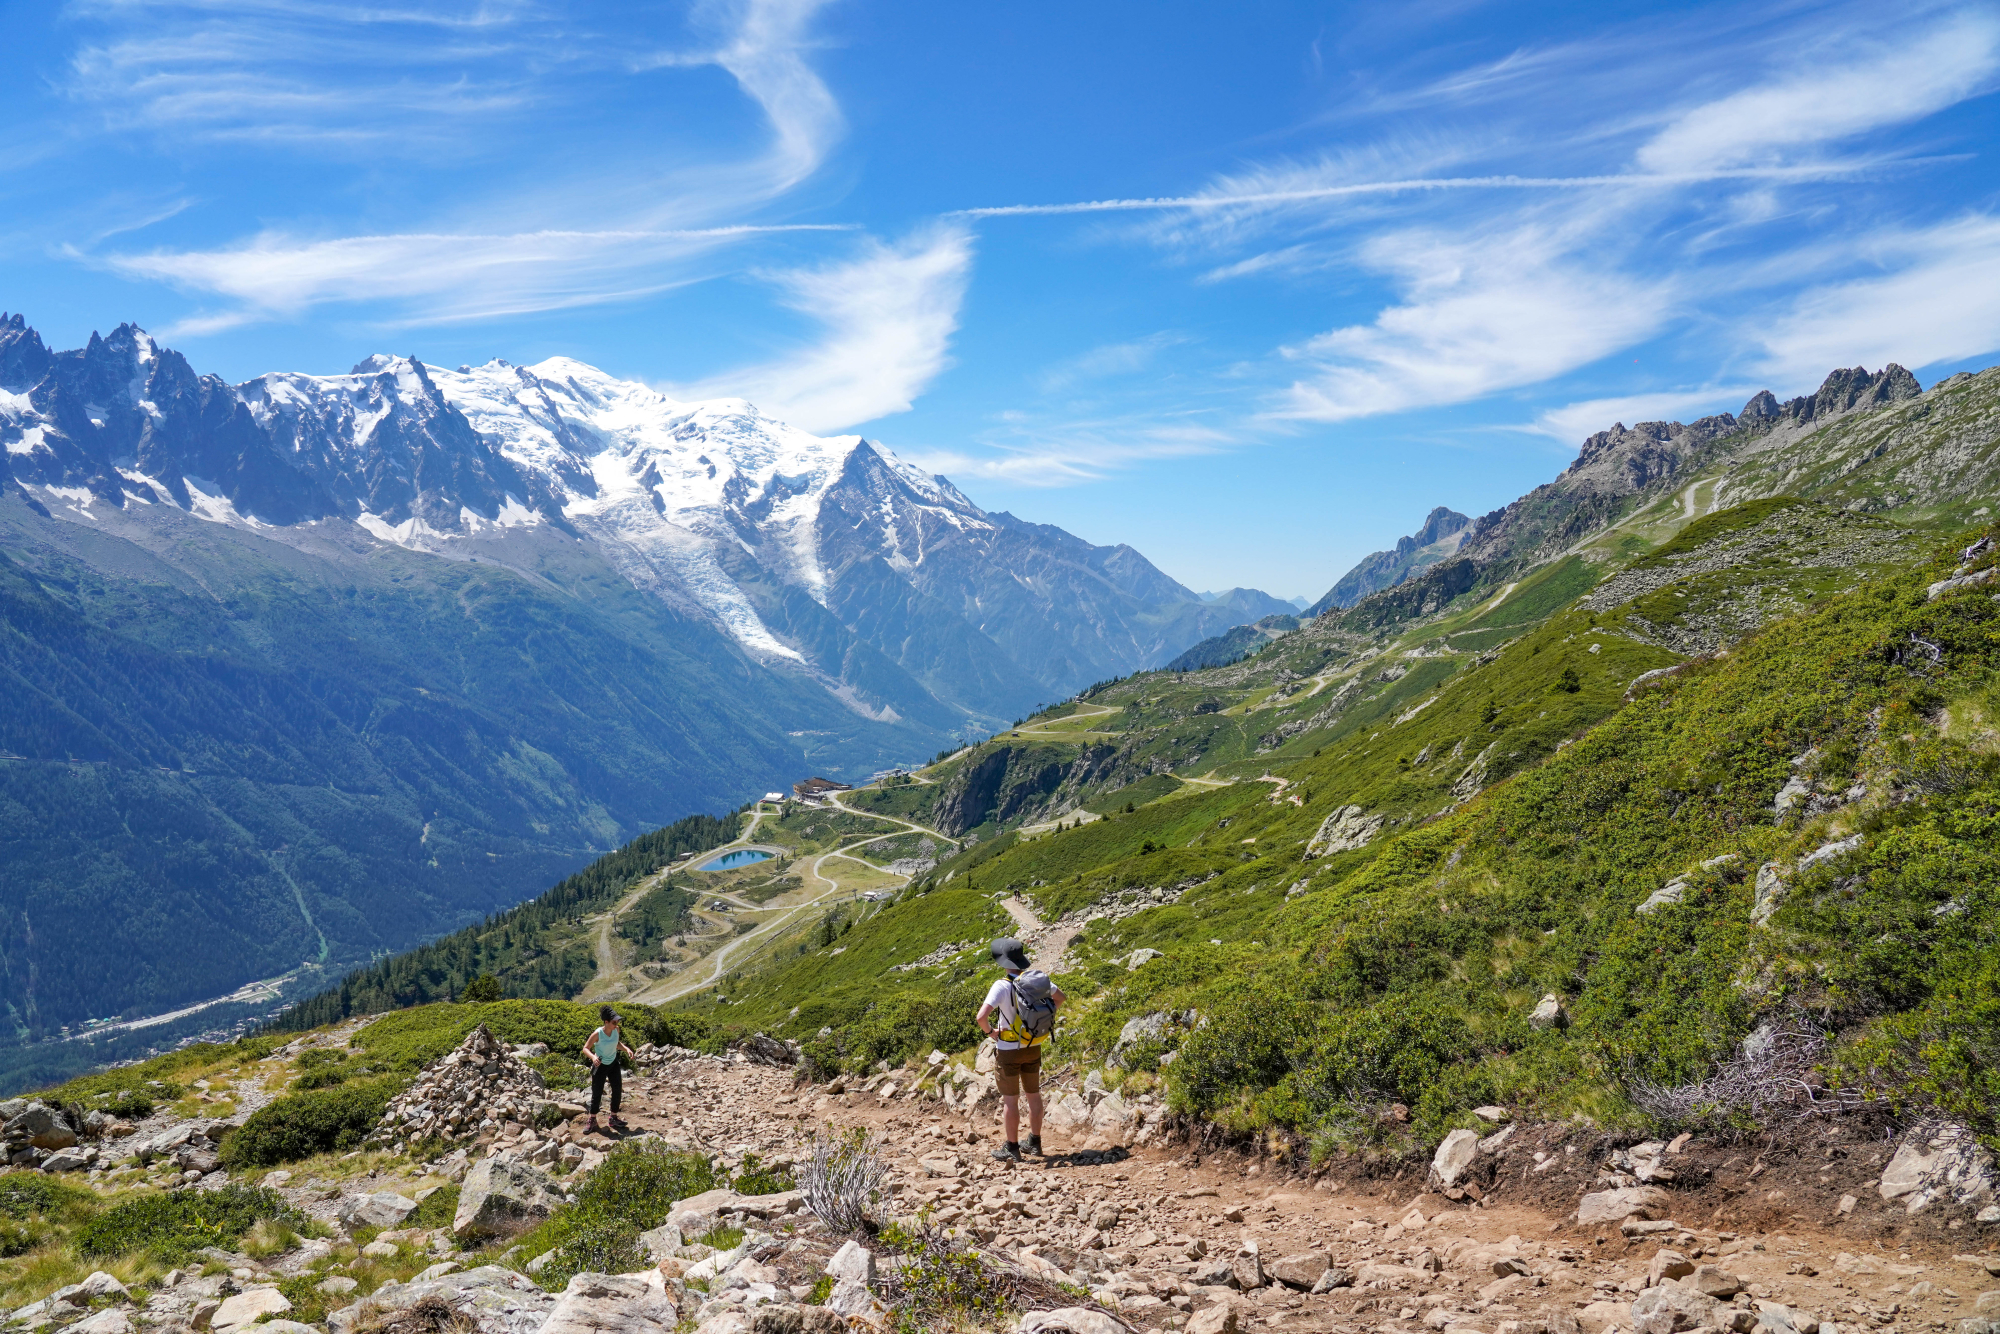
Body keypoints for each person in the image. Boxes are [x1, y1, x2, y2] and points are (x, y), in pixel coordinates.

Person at [974, 936, 1065, 1162]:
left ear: (1004, 962)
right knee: (1034, 1096)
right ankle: (1034, 1142)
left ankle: (1012, 1147)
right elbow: (1060, 998)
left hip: (1008, 1050)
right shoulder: (1037, 980)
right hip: (1034, 1045)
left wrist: (990, 1033)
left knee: (1011, 1100)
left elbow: (981, 1017)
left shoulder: (1002, 985)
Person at [582, 1005, 636, 1133]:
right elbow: (585, 1048)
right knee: (597, 1092)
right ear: (606, 1022)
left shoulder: (616, 1030)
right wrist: (593, 1057)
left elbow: (616, 1044)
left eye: (617, 1022)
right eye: (614, 1022)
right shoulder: (598, 1034)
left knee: (617, 1089)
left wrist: (626, 1049)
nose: (616, 1024)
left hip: (613, 1063)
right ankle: (593, 1119)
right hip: (600, 1065)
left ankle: (613, 1117)